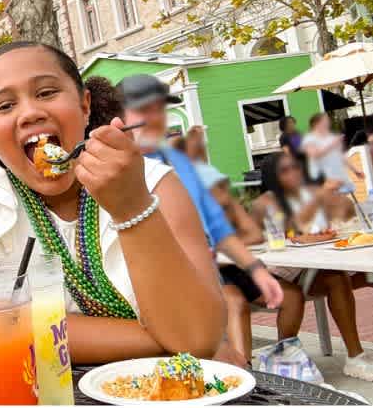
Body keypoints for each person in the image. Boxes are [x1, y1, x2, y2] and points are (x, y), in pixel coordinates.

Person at [0, 42, 226, 364]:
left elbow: (198, 336)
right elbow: (0, 327)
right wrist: (167, 339)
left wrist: (132, 206)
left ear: (85, 105)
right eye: (5, 106)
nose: (30, 113)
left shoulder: (156, 183)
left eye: (47, 92)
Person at [119, 74, 283, 366]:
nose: (155, 118)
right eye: (145, 110)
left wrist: (257, 269)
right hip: (154, 288)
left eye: (160, 110)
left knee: (269, 297)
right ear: (119, 116)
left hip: (208, 275)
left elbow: (218, 226)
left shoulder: (178, 161)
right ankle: (241, 375)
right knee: (231, 305)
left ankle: (243, 376)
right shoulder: (115, 168)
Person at [250, 153, 373, 381]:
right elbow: (286, 232)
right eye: (285, 170)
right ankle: (356, 358)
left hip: (311, 268)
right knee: (335, 277)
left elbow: (327, 224)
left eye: (295, 168)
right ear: (273, 177)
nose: (294, 173)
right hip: (280, 274)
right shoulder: (266, 201)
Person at [195, 163, 305, 366]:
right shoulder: (185, 211)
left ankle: (283, 359)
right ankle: (246, 371)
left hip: (238, 270)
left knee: (292, 296)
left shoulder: (228, 205)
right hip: (209, 278)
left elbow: (255, 235)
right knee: (235, 302)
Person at [302, 113, 363, 190]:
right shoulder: (309, 138)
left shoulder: (331, 137)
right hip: (320, 176)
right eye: (324, 121)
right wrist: (332, 145)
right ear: (315, 123)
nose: (328, 123)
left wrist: (355, 170)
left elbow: (341, 156)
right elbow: (314, 154)